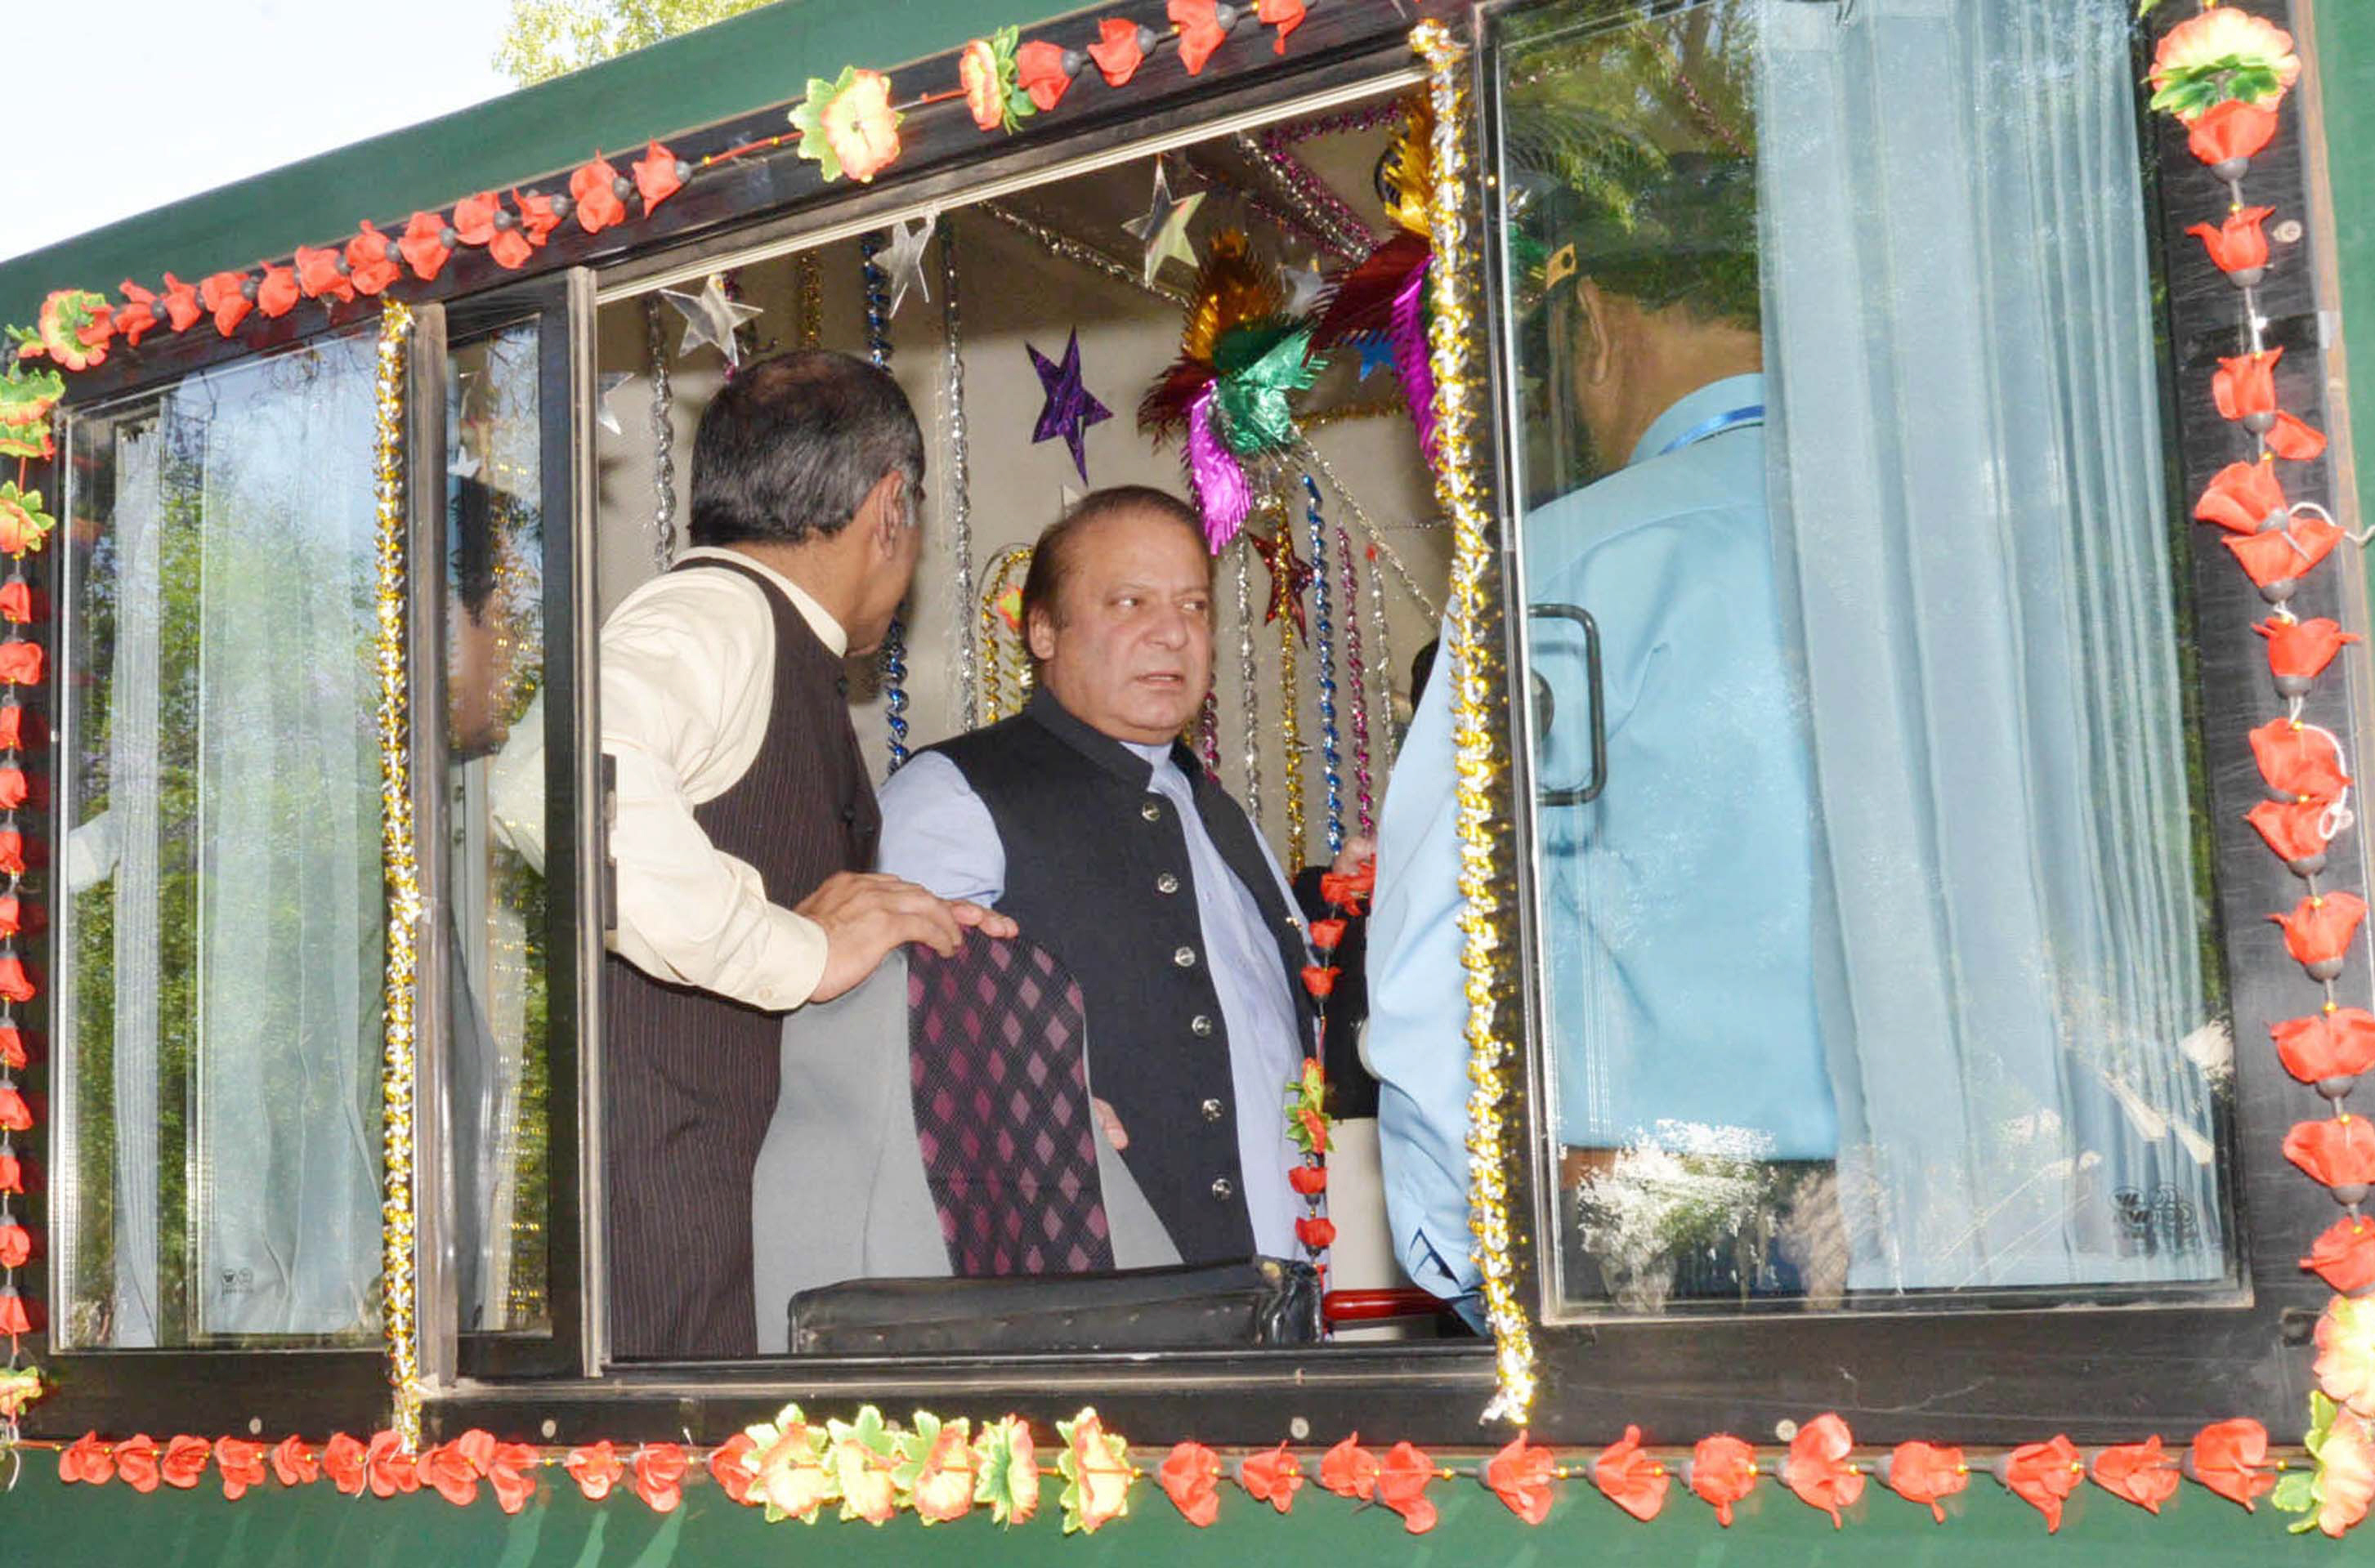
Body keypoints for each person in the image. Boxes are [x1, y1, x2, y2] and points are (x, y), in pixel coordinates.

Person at [1369, 130, 1845, 1318]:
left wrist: (1483, 1266)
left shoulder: (1568, 565)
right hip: (1958, 1230)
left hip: (1663, 1246)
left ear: (1592, 328)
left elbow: (1446, 960)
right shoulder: (1937, 535)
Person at [597, 349, 1011, 1359]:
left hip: (749, 1250)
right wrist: (793, 951)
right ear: (888, 511)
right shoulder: (714, 614)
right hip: (682, 1266)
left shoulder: (766, 637)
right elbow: (567, 787)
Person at [875, 486, 1326, 1266]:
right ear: (1043, 629)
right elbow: (922, 1057)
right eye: (1129, 602)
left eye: (1191, 606)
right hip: (1093, 1309)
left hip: (1280, 1297)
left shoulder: (1215, 810)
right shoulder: (955, 792)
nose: (1170, 634)